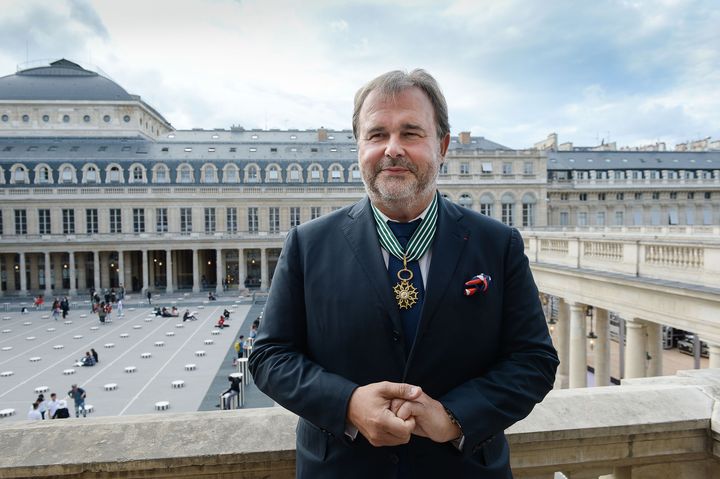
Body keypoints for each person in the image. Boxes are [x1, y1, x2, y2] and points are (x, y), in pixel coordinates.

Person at [248, 69, 558, 478]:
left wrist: (455, 417)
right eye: (377, 134)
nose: (392, 149)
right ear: (359, 146)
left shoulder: (498, 243)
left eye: (411, 133)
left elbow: (533, 360)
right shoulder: (308, 244)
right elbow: (270, 356)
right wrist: (348, 404)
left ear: (442, 145)